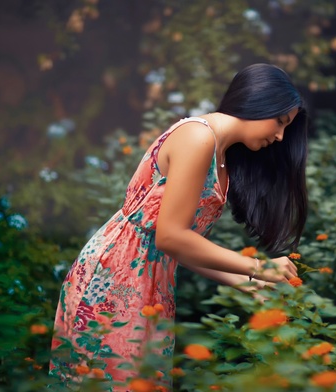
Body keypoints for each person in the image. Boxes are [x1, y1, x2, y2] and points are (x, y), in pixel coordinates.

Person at [49, 63, 309, 390]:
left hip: (152, 283)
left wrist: (249, 282)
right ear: (259, 101)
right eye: (280, 122)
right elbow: (170, 236)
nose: (280, 136)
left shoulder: (221, 156)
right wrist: (258, 267)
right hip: (114, 279)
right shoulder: (198, 137)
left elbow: (183, 249)